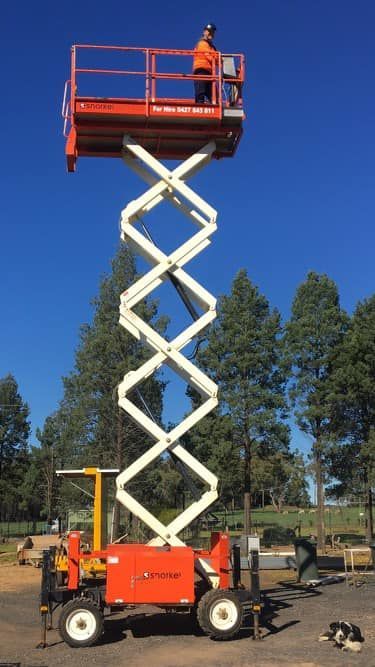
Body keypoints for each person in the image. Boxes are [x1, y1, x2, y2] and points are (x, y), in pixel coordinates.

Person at [193, 23, 218, 104]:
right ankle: (200, 105)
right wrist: (220, 61)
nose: (210, 34)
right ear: (204, 32)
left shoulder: (212, 47)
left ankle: (214, 104)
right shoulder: (202, 43)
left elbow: (216, 58)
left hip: (210, 73)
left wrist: (223, 62)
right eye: (209, 31)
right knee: (201, 92)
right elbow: (209, 56)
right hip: (201, 70)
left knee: (214, 95)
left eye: (212, 32)